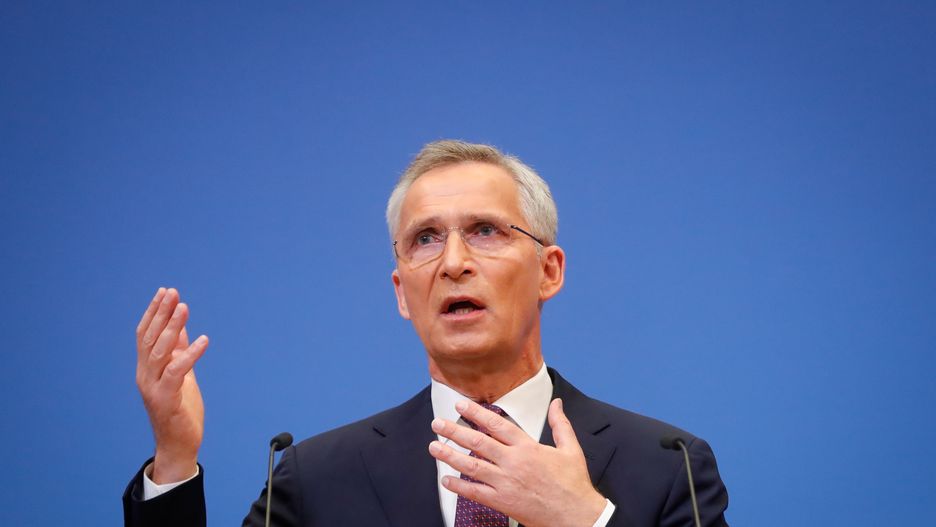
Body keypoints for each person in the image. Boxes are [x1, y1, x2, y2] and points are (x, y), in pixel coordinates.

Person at [123, 140, 730, 526]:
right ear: (400, 293)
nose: (452, 262)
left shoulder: (668, 466)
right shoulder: (317, 477)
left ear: (549, 271)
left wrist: (588, 523)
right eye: (425, 239)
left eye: (486, 231)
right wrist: (175, 459)